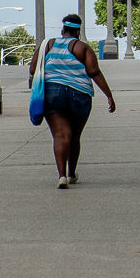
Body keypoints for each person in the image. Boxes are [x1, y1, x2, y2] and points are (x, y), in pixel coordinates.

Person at [28, 14, 116, 189]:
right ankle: (72, 174)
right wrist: (109, 95)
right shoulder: (82, 48)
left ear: (63, 30)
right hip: (80, 94)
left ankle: (61, 176)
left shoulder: (47, 45)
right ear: (78, 31)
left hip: (53, 94)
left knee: (61, 135)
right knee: (74, 136)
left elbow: (32, 68)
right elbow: (94, 72)